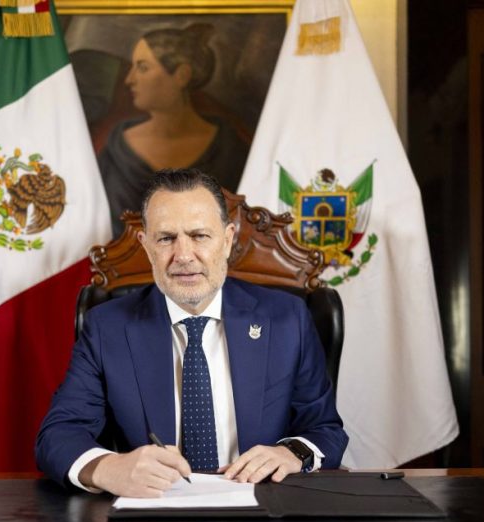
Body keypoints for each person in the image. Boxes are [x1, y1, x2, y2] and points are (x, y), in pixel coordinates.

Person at [36, 169, 347, 497]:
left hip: (262, 506)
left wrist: (291, 453)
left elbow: (324, 428)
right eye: (166, 238)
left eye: (199, 236)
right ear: (146, 246)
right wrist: (108, 468)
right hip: (154, 512)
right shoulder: (107, 327)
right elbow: (57, 435)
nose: (183, 256)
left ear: (227, 240)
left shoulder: (287, 319)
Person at [98, 24, 249, 238]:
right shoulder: (117, 146)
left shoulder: (228, 147)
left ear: (181, 75)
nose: (129, 79)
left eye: (143, 67)